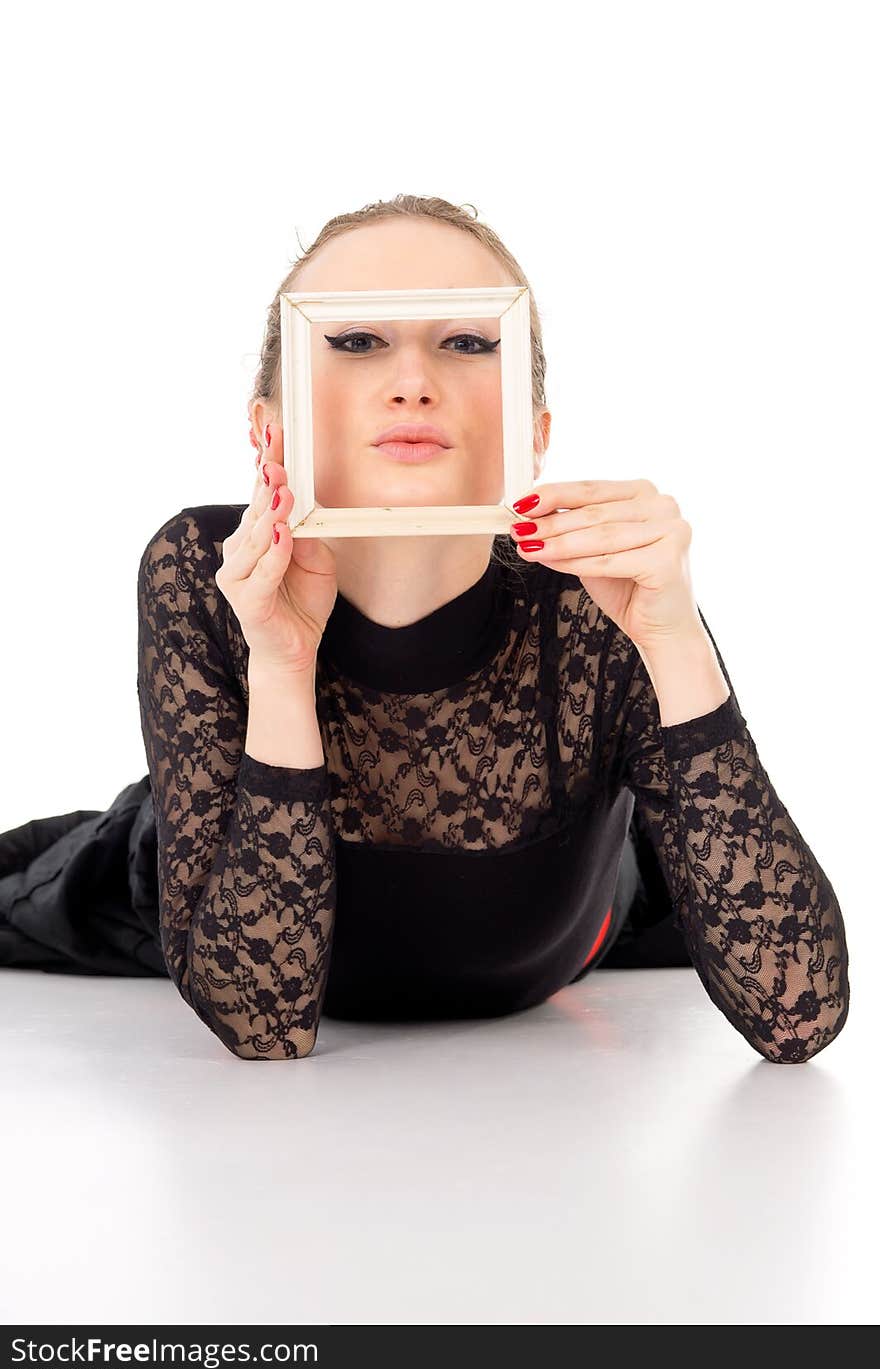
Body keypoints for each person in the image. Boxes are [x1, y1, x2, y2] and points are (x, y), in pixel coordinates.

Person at [0, 195, 850, 1065]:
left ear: (535, 433)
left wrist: (674, 639)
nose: (412, 380)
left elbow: (799, 1015)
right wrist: (283, 664)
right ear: (270, 429)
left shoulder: (600, 593)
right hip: (204, 867)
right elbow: (263, 1023)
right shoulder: (203, 570)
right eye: (356, 340)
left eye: (470, 342)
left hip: (585, 908)